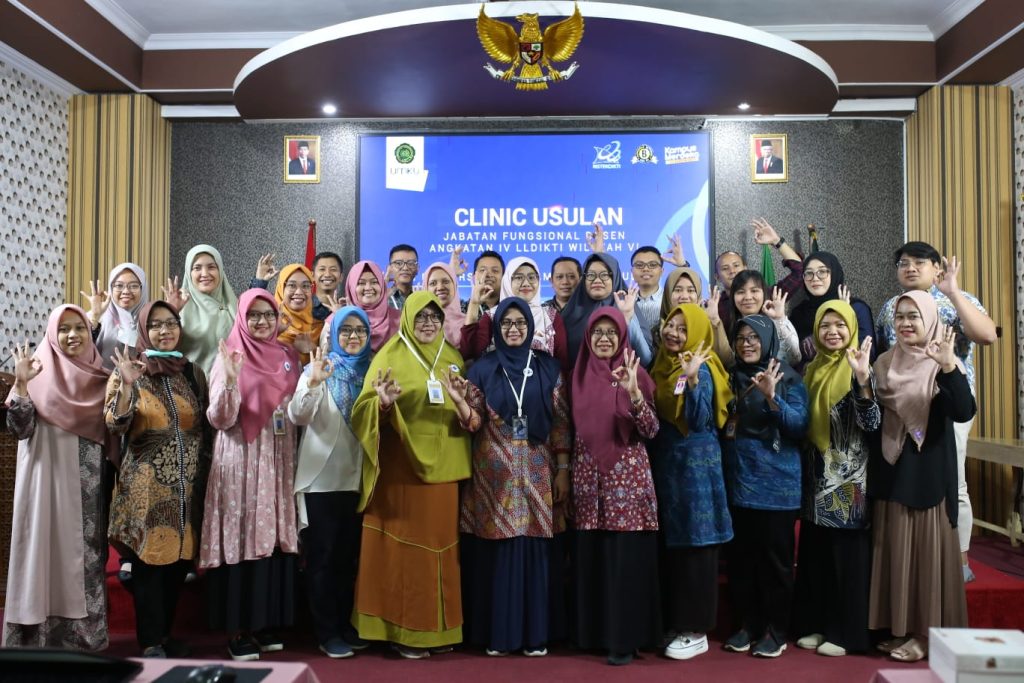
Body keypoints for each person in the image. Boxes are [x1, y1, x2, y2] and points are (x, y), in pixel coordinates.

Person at [349, 291, 472, 658]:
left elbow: (467, 412)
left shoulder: (452, 358)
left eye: (434, 317)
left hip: (445, 471)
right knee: (402, 554)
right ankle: (403, 633)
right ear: (406, 319)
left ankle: (437, 630)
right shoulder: (389, 356)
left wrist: (462, 403)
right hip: (402, 471)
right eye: (421, 317)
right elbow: (363, 410)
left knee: (441, 552)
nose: (428, 323)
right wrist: (383, 404)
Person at [446, 297, 571, 657]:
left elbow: (561, 423)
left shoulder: (548, 367)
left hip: (537, 470)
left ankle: (535, 636)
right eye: (506, 323)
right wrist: (460, 403)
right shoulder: (482, 369)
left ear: (530, 327)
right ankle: (499, 635)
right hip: (493, 475)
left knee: (534, 549)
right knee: (497, 552)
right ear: (497, 328)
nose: (513, 329)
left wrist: (563, 470)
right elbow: (473, 422)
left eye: (520, 323)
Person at [874, 241, 996, 583]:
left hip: (946, 404)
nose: (910, 267)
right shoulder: (891, 306)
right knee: (905, 478)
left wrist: (953, 293)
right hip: (901, 406)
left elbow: (988, 335)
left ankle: (959, 560)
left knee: (953, 481)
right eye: (903, 263)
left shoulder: (958, 299)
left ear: (937, 269)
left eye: (919, 262)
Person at [869, 291, 973, 663]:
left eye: (914, 316)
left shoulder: (941, 361)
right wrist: (863, 383)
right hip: (891, 468)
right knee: (896, 553)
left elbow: (963, 410)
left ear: (929, 319)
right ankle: (900, 627)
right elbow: (873, 418)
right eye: (900, 317)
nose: (906, 323)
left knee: (925, 559)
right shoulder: (883, 363)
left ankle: (926, 636)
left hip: (927, 473)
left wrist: (947, 366)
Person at [200, 289, 303, 661]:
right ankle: (237, 629)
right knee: (242, 533)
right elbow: (220, 419)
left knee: (271, 534)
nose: (261, 322)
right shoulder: (229, 355)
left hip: (278, 460)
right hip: (241, 460)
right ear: (242, 318)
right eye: (254, 315)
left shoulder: (289, 357)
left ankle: (264, 622)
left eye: (268, 315)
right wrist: (230, 380)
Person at [2, 307, 112, 651]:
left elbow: (116, 428)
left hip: (85, 486)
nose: (73, 335)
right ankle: (36, 638)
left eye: (80, 328)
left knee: (84, 556)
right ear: (52, 333)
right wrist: (21, 384)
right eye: (64, 329)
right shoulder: (36, 372)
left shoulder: (102, 378)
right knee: (40, 550)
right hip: (42, 482)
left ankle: (84, 640)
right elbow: (20, 429)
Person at [106, 301, 208, 658]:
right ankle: (150, 641)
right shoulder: (130, 369)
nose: (165, 331)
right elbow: (114, 424)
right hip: (146, 491)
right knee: (150, 566)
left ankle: (164, 635)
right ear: (144, 330)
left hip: (186, 490)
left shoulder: (192, 372)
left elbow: (206, 425)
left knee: (178, 565)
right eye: (156, 325)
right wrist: (127, 388)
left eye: (171, 323)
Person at [571, 307, 661, 665]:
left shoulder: (637, 374)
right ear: (588, 337)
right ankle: (594, 636)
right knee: (594, 561)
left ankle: (625, 640)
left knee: (625, 564)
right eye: (598, 332)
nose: (605, 338)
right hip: (587, 485)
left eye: (612, 332)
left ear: (623, 336)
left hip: (629, 486)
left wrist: (634, 394)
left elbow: (651, 430)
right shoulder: (577, 376)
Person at [793, 301, 879, 657]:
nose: (832, 332)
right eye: (825, 325)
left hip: (848, 482)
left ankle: (846, 633)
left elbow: (872, 423)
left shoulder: (861, 367)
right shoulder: (811, 369)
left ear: (852, 328)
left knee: (847, 560)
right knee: (817, 557)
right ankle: (817, 624)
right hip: (815, 478)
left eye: (840, 325)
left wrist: (862, 381)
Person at [647, 304, 733, 661]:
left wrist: (694, 380)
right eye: (672, 325)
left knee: (697, 548)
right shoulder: (662, 365)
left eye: (684, 329)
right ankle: (677, 623)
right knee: (676, 550)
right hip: (670, 470)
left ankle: (696, 630)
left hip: (697, 472)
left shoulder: (704, 366)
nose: (674, 333)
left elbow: (699, 420)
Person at [722, 314, 808, 658]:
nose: (747, 344)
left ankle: (776, 630)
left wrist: (773, 398)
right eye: (741, 338)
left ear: (768, 339)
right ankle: (748, 625)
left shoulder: (788, 377)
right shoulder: (731, 376)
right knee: (742, 562)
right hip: (739, 483)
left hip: (777, 487)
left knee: (776, 563)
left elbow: (798, 425)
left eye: (754, 337)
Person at [288, 307, 372, 659]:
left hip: (357, 481)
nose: (353, 337)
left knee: (347, 559)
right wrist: (312, 382)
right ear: (334, 334)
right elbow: (298, 415)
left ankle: (344, 624)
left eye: (359, 331)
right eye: (346, 330)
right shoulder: (318, 368)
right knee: (322, 559)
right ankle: (326, 632)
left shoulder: (371, 372)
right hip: (321, 481)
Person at [461, 256, 569, 369]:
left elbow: (563, 363)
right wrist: (474, 303)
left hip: (544, 380)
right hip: (499, 380)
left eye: (532, 277)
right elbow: (470, 353)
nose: (526, 283)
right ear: (507, 281)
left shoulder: (550, 317)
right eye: (519, 277)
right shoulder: (492, 316)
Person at [559, 253, 652, 367]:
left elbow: (645, 359)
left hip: (620, 377)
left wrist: (627, 319)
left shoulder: (627, 307)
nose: (597, 280)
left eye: (604, 275)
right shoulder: (570, 313)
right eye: (591, 275)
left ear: (615, 278)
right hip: (578, 377)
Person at [789, 252, 875, 370]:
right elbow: (790, 357)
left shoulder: (856, 308)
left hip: (848, 377)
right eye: (809, 273)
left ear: (834, 273)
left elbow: (868, 355)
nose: (815, 278)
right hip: (806, 379)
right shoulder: (799, 313)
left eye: (822, 272)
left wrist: (844, 315)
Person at [714, 218, 804, 332]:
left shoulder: (768, 296)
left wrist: (776, 241)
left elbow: (800, 271)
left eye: (736, 265)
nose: (732, 271)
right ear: (717, 277)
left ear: (745, 268)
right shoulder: (715, 306)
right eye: (725, 268)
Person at [171, 244, 238, 375]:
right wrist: (171, 312)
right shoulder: (178, 308)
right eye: (197, 268)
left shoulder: (234, 306)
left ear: (220, 270)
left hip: (231, 384)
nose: (205, 274)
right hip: (191, 385)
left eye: (211, 267)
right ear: (189, 273)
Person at [711, 269, 799, 366]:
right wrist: (714, 320)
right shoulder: (727, 323)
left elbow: (794, 357)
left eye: (754, 291)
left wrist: (779, 319)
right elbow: (727, 362)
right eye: (740, 292)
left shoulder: (775, 323)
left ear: (764, 293)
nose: (748, 297)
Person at [85, 262, 148, 371]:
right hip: (99, 379)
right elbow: (80, 352)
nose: (126, 291)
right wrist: (95, 317)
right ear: (111, 288)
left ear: (143, 289)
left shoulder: (151, 319)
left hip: (142, 381)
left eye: (134, 286)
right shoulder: (96, 317)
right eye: (119, 285)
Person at [346, 259, 400, 352]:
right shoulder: (337, 321)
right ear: (351, 287)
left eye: (374, 282)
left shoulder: (400, 319)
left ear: (382, 285)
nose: (368, 288)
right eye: (361, 283)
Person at [274, 263, 321, 365]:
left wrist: (312, 351)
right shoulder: (269, 326)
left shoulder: (321, 327)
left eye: (305, 286)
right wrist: (274, 335)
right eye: (292, 285)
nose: (299, 292)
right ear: (281, 288)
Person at [649, 267, 702, 354]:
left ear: (698, 295)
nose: (684, 296)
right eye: (678, 290)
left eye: (690, 290)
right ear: (668, 294)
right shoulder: (656, 334)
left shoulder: (707, 328)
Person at [422, 261, 466, 346]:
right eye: (433, 283)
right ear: (426, 288)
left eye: (445, 281)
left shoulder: (469, 324)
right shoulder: (419, 326)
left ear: (455, 285)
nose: (440, 288)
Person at [630, 246, 665, 348]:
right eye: (639, 265)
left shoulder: (670, 299)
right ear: (631, 271)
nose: (645, 269)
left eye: (652, 265)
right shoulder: (624, 301)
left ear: (662, 271)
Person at [464, 250, 505, 321]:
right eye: (483, 270)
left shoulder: (512, 307)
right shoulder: (463, 308)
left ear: (504, 277)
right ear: (474, 277)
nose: (488, 274)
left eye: (495, 270)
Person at [311, 251, 345, 321]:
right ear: (313, 276)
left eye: (333, 270)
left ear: (341, 277)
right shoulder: (304, 306)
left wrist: (341, 315)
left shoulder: (346, 309)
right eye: (322, 269)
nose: (327, 274)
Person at [386, 244, 419, 310]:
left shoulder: (420, 300)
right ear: (390, 268)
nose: (405, 268)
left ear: (417, 268)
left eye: (411, 263)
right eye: (398, 263)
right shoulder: (382, 299)